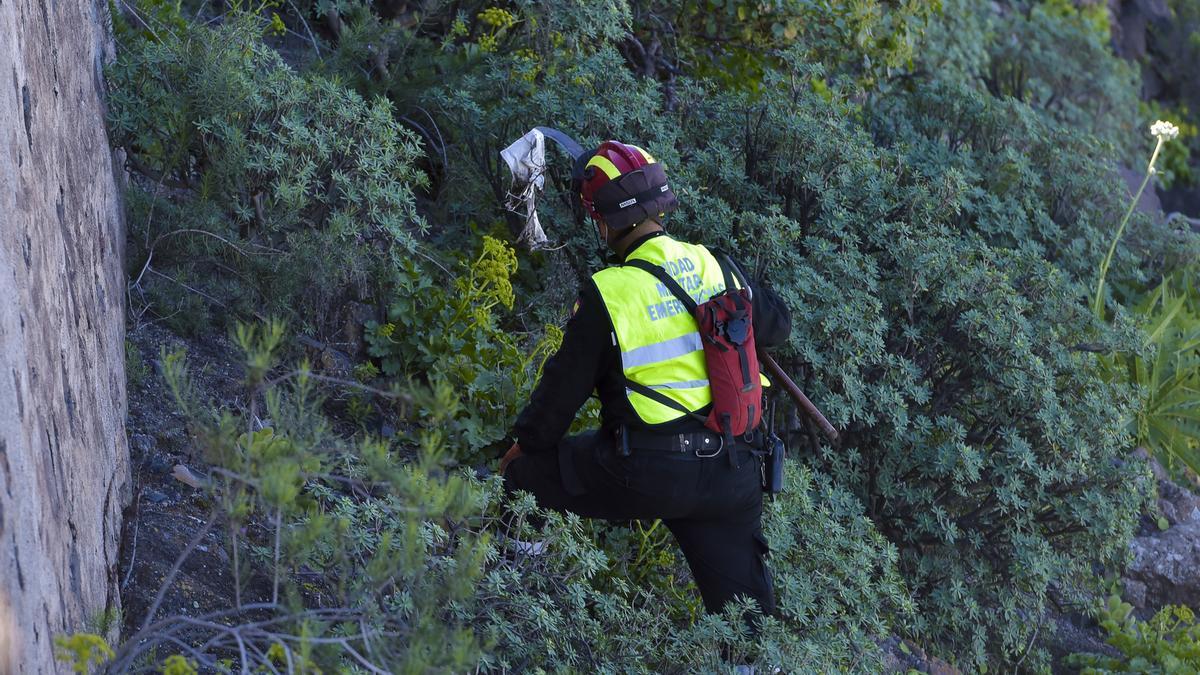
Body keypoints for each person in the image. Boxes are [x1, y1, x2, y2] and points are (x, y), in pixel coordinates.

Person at [500, 139, 792, 618]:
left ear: (602, 222)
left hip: (646, 474)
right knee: (749, 628)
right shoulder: (717, 265)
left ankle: (514, 595)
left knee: (521, 477)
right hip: (733, 476)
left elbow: (559, 399)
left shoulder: (608, 292)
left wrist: (523, 446)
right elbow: (779, 323)